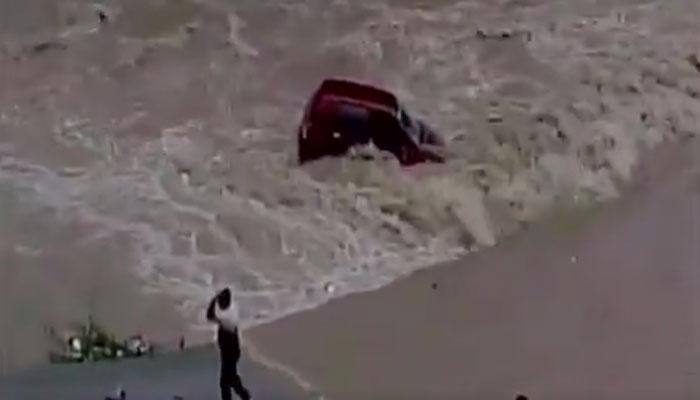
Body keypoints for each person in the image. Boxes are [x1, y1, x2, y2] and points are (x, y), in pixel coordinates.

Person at [207, 288, 251, 400]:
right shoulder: (231, 309)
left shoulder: (227, 317)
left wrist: (213, 300)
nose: (219, 304)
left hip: (229, 352)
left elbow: (210, 316)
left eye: (221, 301)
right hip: (230, 351)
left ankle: (245, 396)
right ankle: (245, 396)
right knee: (230, 378)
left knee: (226, 381)